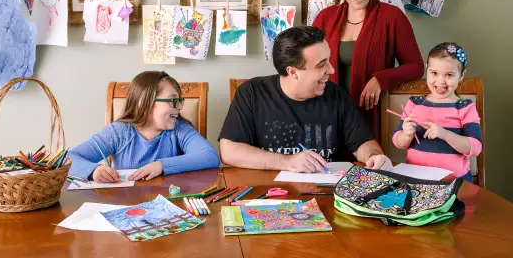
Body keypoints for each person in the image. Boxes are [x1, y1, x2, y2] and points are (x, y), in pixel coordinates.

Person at [218, 26, 393, 172]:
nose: (332, 70)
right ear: (293, 72)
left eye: (329, 61)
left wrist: (375, 157)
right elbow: (229, 151)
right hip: (270, 197)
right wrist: (287, 162)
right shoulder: (252, 93)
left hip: (327, 195)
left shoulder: (336, 95)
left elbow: (362, 142)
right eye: (321, 64)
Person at [313, 0, 424, 141]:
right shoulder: (325, 17)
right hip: (327, 113)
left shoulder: (392, 16)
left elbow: (416, 66)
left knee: (370, 165)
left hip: (371, 115)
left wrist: (380, 79)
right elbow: (307, 62)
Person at [68, 71, 220, 182]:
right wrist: (94, 170)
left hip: (170, 203)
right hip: (126, 204)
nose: (179, 107)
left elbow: (210, 156)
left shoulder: (179, 129)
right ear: (145, 103)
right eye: (173, 101)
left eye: (180, 101)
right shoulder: (118, 132)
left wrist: (161, 165)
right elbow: (69, 158)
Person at [392, 43, 482, 182]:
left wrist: (445, 134)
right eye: (434, 73)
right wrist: (406, 134)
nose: (441, 81)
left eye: (449, 75)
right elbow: (399, 142)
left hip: (454, 182)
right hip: (416, 180)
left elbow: (475, 148)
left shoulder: (464, 107)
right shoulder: (415, 103)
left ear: (461, 75)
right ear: (427, 70)